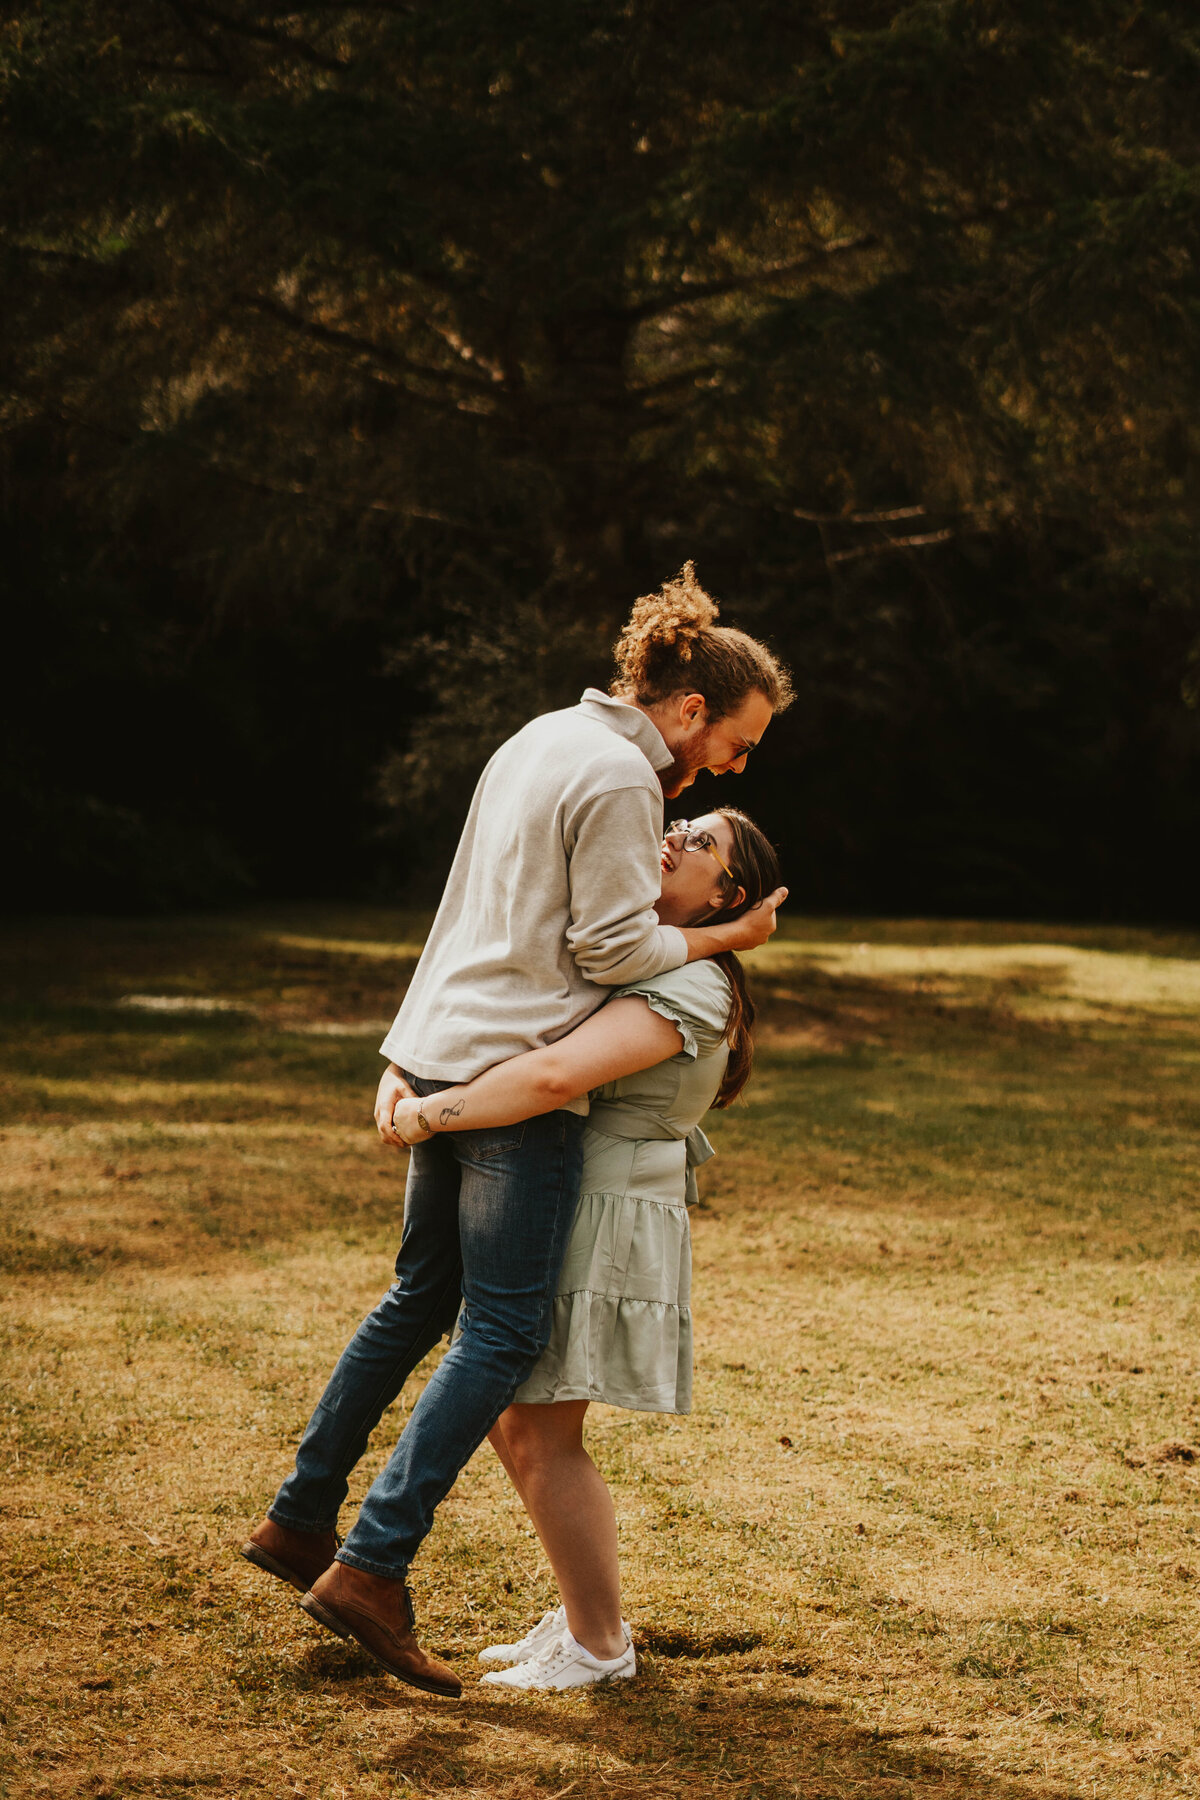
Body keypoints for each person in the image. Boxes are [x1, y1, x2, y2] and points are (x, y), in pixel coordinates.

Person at [241, 565, 792, 1697]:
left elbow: (463, 911)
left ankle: (301, 1516)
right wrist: (725, 938)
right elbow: (608, 955)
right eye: (736, 745)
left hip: (449, 1047)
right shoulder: (624, 782)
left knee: (415, 1301)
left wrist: (406, 1053)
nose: (730, 768)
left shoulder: (536, 737)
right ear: (690, 711)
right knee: (496, 1335)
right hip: (512, 1086)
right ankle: (369, 1567)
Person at [389, 807, 781, 1691]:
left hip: (603, 1213)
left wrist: (426, 1116)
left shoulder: (695, 984)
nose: (676, 834)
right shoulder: (646, 958)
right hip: (573, 1198)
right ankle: (582, 1617)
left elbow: (554, 1075)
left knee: (539, 1421)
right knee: (511, 1409)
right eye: (680, 821)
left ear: (729, 896)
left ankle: (600, 1646)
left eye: (703, 842)